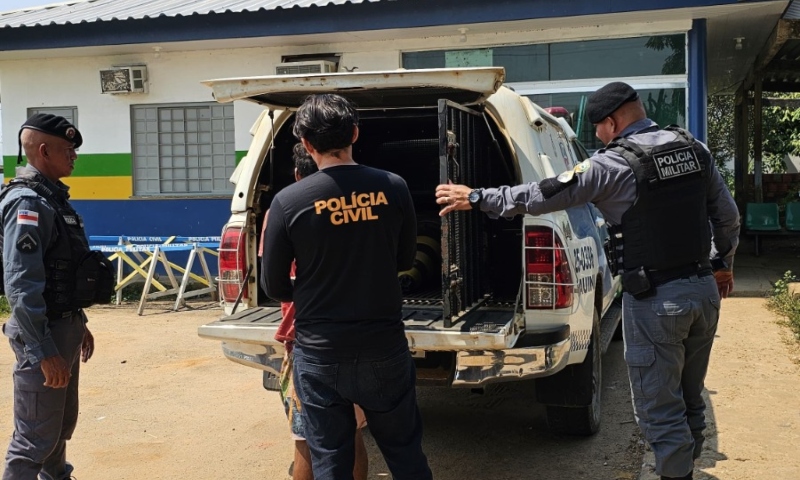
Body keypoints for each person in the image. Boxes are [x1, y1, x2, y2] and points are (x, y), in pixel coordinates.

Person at [435, 82, 739, 480]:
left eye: (597, 128)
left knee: (659, 410)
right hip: (703, 291)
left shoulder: (612, 165)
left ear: (611, 123)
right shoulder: (693, 149)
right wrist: (722, 265)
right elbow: (728, 217)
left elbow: (542, 194)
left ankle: (675, 473)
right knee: (688, 396)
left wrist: (476, 198)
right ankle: (687, 464)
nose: (597, 137)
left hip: (656, 301)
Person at [261, 93, 432, 480]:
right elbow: (404, 261)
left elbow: (274, 285)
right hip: (384, 347)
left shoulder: (288, 202)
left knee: (330, 462)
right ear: (355, 133)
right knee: (406, 454)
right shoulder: (394, 187)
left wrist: (316, 286)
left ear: (306, 144)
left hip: (321, 354)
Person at [1, 114, 113, 479]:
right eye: (69, 150)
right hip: (42, 333)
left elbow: (62, 272)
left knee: (58, 429)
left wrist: (78, 323)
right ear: (44, 150)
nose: (75, 157)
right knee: (34, 440)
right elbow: (22, 283)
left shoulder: (52, 200)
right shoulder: (28, 205)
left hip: (62, 326)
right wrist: (44, 350)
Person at [259, 143, 369, 480]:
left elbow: (272, 283)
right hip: (356, 335)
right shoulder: (356, 205)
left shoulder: (283, 208)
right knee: (350, 431)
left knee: (307, 438)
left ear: (296, 174)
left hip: (307, 340)